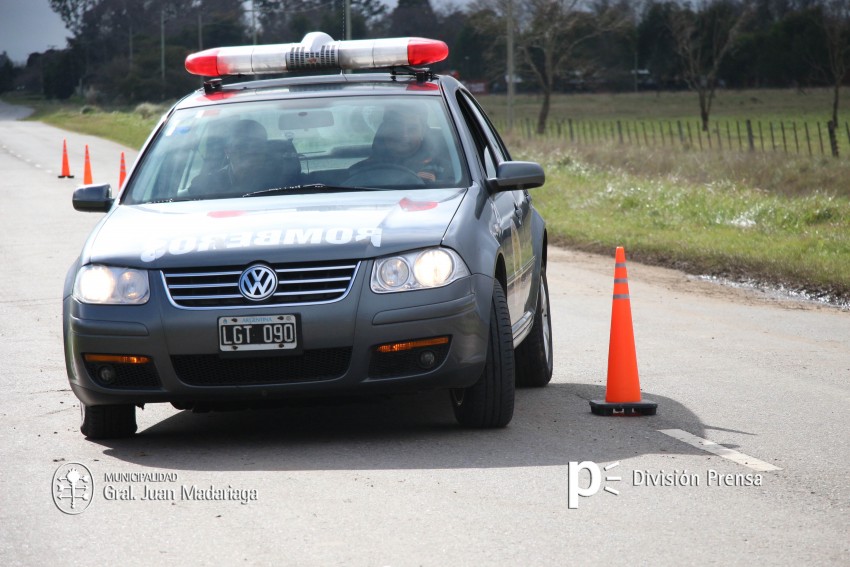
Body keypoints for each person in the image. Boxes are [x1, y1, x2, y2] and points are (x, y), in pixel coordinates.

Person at [350, 108, 449, 184]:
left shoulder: (449, 171)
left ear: (423, 132)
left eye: (412, 129)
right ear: (385, 130)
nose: (404, 135)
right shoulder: (359, 171)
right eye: (397, 127)